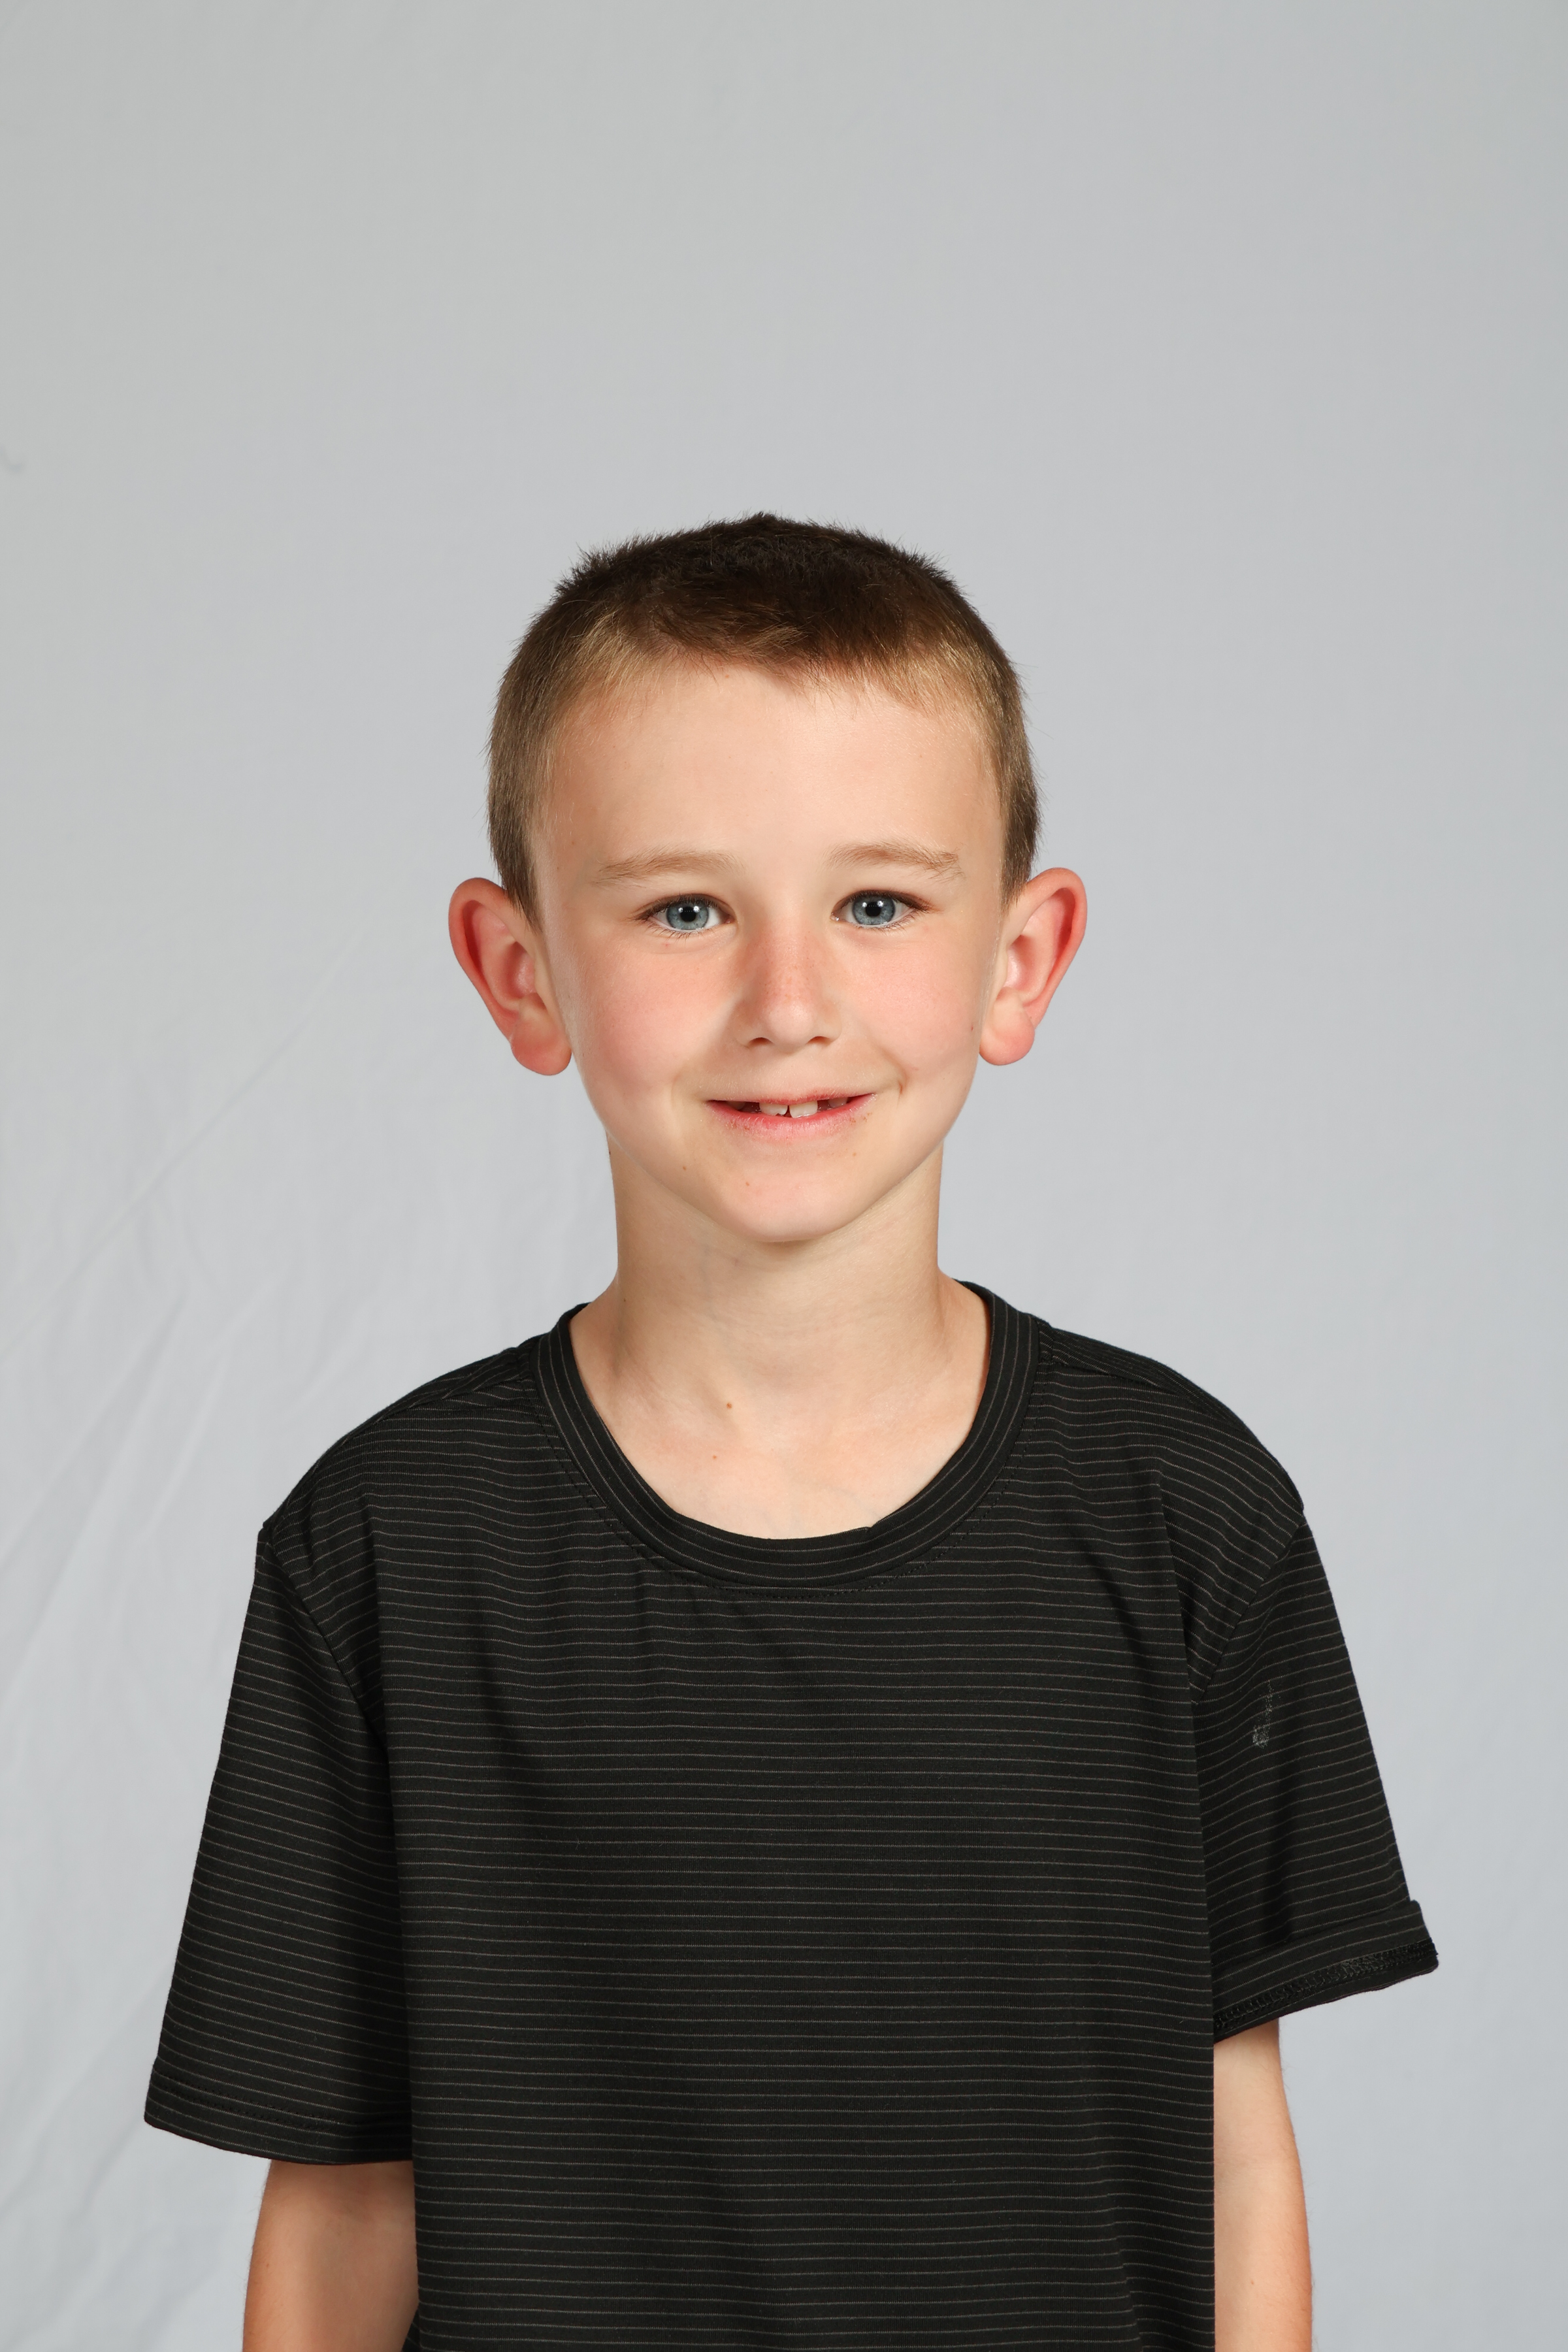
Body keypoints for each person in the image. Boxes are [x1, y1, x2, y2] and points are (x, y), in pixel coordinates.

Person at [145, 515, 1437, 2351]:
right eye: (686, 909)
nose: (788, 1005)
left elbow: (1233, 2152)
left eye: (878, 905)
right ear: (520, 971)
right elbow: (346, 2208)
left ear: (1022, 958)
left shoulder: (1183, 1512)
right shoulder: (387, 1550)